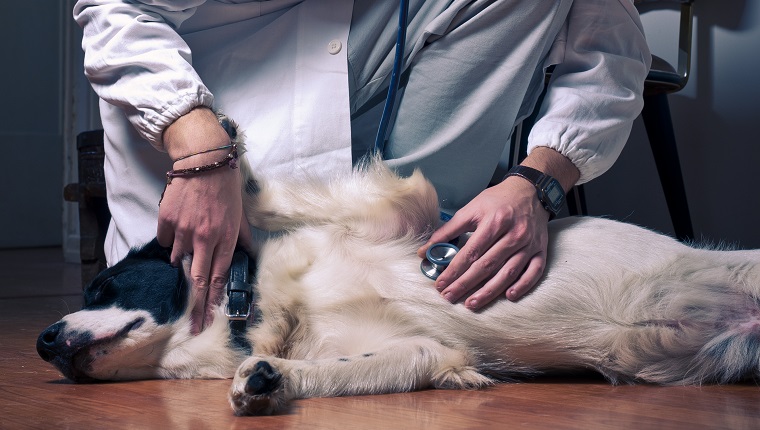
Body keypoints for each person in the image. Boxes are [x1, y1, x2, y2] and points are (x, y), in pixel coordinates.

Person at [73, 0, 651, 334]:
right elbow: (118, 8)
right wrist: (200, 150)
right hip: (211, 125)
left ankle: (402, 252)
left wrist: (536, 183)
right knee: (185, 306)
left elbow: (609, 53)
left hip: (383, 128)